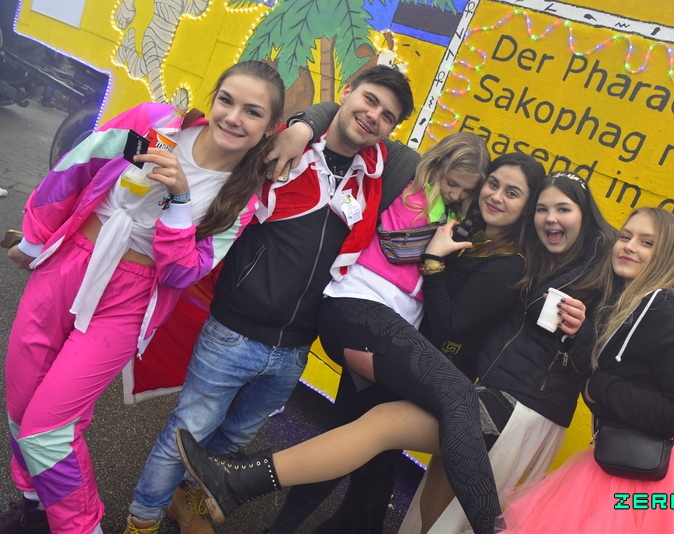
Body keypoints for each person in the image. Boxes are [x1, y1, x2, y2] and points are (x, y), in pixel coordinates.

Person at [174, 171, 616, 534]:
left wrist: (434, 263)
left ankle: (246, 485)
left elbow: (454, 325)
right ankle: (286, 509)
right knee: (391, 476)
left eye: (518, 194)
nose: (499, 196)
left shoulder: (527, 264)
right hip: (422, 364)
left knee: (377, 436)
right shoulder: (498, 244)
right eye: (495, 184)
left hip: (469, 388)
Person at [124, 64, 415, 534]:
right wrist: (305, 124)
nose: (373, 116)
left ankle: (186, 502)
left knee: (233, 443)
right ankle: (142, 520)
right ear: (347, 91)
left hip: (295, 348)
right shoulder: (280, 147)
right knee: (187, 432)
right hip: (232, 332)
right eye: (369, 99)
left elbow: (446, 169)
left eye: (387, 116)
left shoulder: (377, 174)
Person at [3, 60, 286, 534]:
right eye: (227, 100)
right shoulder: (159, 126)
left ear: (270, 128)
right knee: (20, 407)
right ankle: (34, 506)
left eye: (252, 112)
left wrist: (179, 199)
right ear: (214, 99)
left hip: (130, 301)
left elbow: (181, 272)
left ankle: (80, 526)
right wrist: (35, 239)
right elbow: (78, 165)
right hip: (67, 265)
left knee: (49, 431)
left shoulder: (240, 197)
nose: (234, 117)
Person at [500, 207, 674, 533]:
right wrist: (581, 337)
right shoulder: (627, 306)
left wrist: (602, 388)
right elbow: (622, 376)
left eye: (646, 242)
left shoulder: (667, 311)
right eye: (625, 236)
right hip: (615, 464)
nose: (629, 246)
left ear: (666, 255)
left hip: (658, 480)